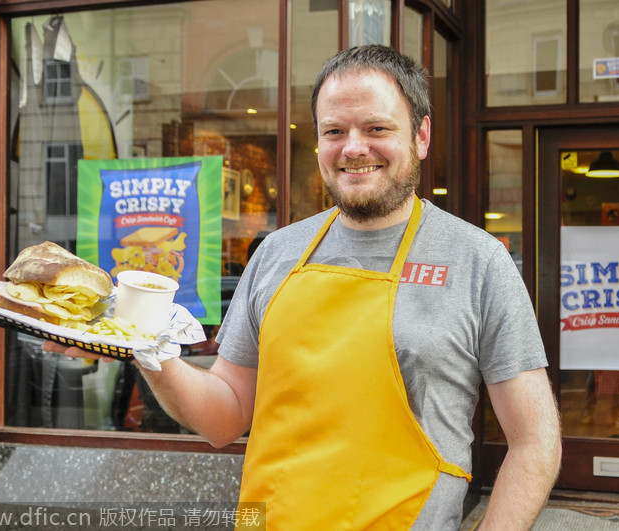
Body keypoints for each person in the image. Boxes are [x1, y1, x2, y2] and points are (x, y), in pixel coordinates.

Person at [44, 44, 561, 530]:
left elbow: (535, 441)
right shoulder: (276, 253)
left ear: (421, 136)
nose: (354, 148)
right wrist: (146, 348)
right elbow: (225, 417)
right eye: (334, 131)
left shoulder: (477, 260)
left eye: (377, 127)